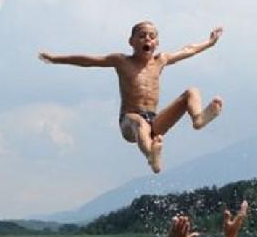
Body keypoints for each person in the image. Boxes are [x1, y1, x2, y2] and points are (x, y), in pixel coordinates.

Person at [39, 22, 224, 173]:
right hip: (129, 121)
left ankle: (199, 118)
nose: (147, 39)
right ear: (131, 41)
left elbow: (188, 50)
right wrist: (56, 59)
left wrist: (209, 42)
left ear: (157, 43)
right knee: (140, 124)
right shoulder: (121, 61)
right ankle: (151, 155)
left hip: (155, 121)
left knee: (191, 92)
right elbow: (88, 60)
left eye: (152, 36)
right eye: (142, 35)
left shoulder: (161, 60)